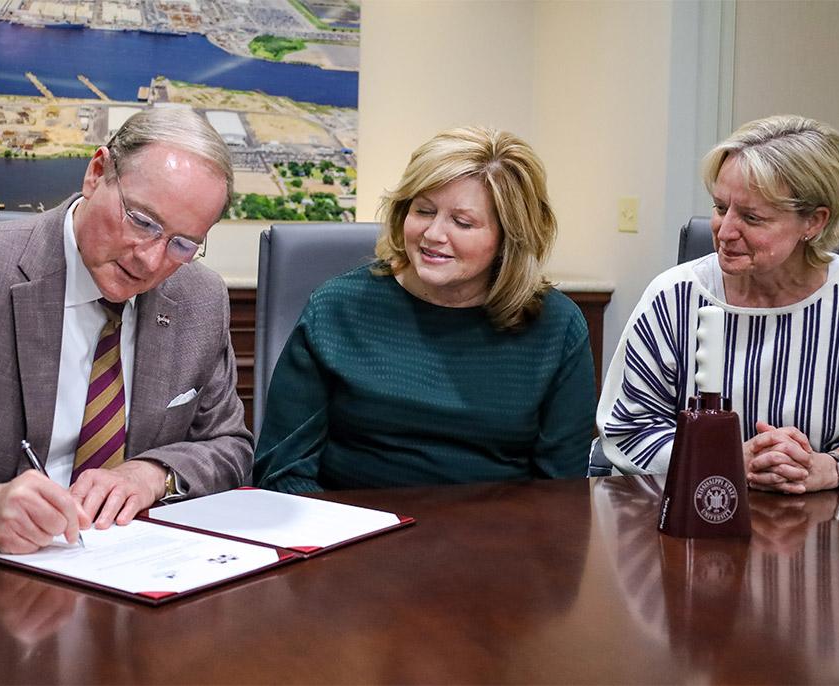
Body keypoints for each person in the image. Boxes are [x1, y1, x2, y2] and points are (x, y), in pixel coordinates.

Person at [0, 107, 253, 568]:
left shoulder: (199, 298)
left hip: (129, 576)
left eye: (182, 244)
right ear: (97, 173)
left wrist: (153, 474)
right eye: (142, 222)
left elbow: (229, 445)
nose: (152, 261)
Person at [254, 126, 596, 493]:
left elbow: (561, 492)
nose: (433, 234)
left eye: (462, 222)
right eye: (423, 210)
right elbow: (282, 470)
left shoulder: (556, 327)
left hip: (496, 541)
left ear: (510, 237)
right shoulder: (337, 307)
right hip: (353, 533)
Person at [597, 114, 839, 493]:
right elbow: (629, 429)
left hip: (822, 526)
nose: (725, 231)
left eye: (751, 217)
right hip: (688, 520)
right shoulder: (673, 298)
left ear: (814, 222)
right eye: (719, 207)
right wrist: (720, 459)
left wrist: (830, 467)